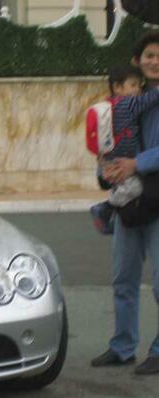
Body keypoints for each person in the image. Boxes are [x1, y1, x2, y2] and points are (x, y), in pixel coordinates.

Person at [91, 31, 159, 375]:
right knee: (123, 278)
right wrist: (107, 171)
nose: (155, 60)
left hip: (157, 198)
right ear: (138, 60)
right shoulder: (121, 100)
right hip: (128, 201)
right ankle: (122, 346)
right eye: (149, 54)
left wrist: (138, 163)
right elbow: (106, 143)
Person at [89, 66, 159, 233]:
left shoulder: (109, 104)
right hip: (121, 160)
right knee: (135, 188)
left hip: (108, 159)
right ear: (118, 88)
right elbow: (149, 99)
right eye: (134, 85)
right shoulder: (128, 104)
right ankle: (107, 208)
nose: (138, 89)